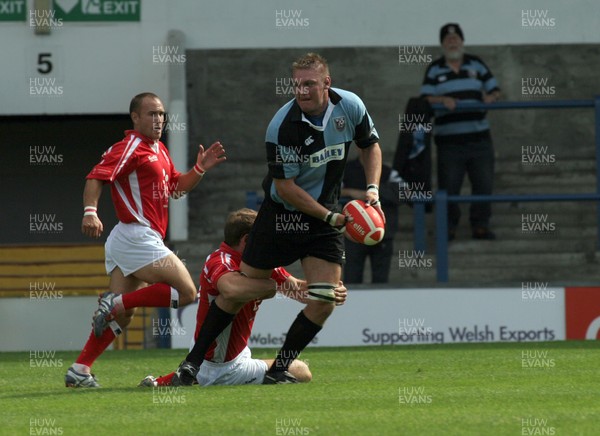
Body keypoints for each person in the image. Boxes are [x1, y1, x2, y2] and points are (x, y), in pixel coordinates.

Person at [171, 52, 385, 385]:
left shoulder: (351, 106)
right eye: (297, 84)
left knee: (326, 299)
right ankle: (192, 362)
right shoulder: (282, 126)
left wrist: (372, 190)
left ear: (326, 83)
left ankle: (280, 366)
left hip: (325, 219)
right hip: (282, 216)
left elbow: (370, 145)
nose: (301, 91)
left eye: (310, 84)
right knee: (239, 290)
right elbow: (285, 188)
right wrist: (329, 216)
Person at [64, 92, 226, 388]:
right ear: (135, 118)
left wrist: (199, 169)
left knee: (123, 317)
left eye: (162, 114)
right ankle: (115, 302)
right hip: (136, 235)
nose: (159, 119)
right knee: (188, 292)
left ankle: (80, 369)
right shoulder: (129, 146)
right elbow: (96, 176)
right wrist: (90, 212)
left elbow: (176, 187)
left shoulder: (160, 150)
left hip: (133, 238)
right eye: (151, 114)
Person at [138, 208, 347, 387]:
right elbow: (230, 289)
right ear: (247, 240)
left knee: (302, 370)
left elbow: (296, 289)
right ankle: (180, 378)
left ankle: (169, 380)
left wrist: (326, 291)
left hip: (237, 357)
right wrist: (272, 287)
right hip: (216, 364)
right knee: (300, 371)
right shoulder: (219, 260)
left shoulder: (259, 264)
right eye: (263, 237)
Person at [421, 23, 501, 240]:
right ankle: (449, 228)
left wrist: (491, 97)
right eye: (447, 39)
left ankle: (480, 226)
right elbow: (425, 98)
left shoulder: (477, 63)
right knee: (449, 187)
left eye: (456, 38)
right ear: (442, 44)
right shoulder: (435, 69)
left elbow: (495, 89)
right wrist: (441, 99)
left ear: (462, 42)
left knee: (483, 184)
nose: (452, 42)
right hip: (449, 142)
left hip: (480, 139)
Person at [341, 154, 401, 284]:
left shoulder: (387, 171)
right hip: (354, 233)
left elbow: (404, 191)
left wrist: (374, 194)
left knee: (381, 280)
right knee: (352, 278)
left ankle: (380, 304)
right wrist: (350, 192)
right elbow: (329, 189)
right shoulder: (346, 169)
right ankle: (351, 304)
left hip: (382, 234)